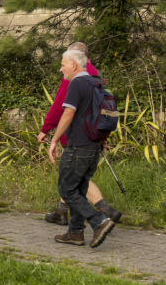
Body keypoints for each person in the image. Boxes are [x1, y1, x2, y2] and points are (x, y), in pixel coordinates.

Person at [38, 42, 122, 225]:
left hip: (77, 135)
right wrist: (104, 136)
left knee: (72, 179)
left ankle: (102, 212)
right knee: (74, 175)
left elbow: (62, 107)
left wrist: (47, 129)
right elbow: (104, 108)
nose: (62, 68)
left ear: (75, 60)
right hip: (95, 133)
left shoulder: (76, 78)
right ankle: (65, 217)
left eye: (64, 62)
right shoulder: (98, 77)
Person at [49, 50, 116, 248]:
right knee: (79, 188)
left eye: (63, 65)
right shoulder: (96, 82)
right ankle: (75, 233)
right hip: (94, 145)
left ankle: (99, 221)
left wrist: (54, 140)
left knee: (66, 189)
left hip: (79, 145)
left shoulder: (76, 83)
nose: (61, 69)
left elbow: (68, 113)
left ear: (74, 65)